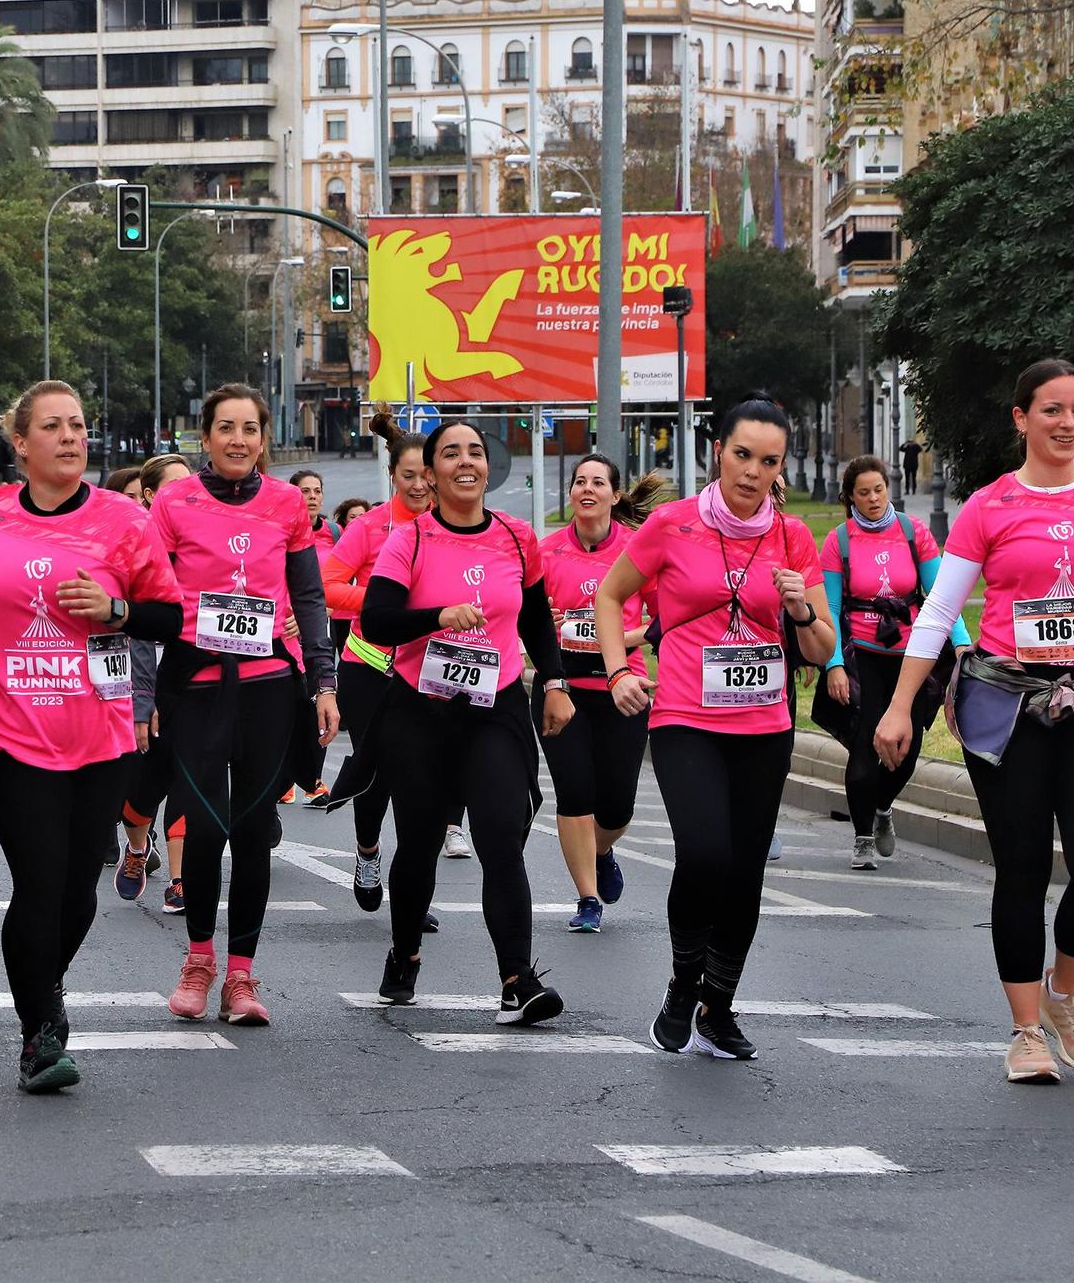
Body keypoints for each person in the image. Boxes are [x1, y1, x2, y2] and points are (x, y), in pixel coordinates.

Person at [874, 359, 1074, 1084]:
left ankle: (1064, 994)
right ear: (1021, 418)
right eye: (1053, 409)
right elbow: (938, 610)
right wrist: (899, 706)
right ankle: (1025, 1031)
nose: (1069, 423)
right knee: (1021, 867)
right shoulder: (988, 505)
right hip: (1007, 704)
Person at [0, 380, 182, 1093]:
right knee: (38, 881)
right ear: (21, 443)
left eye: (78, 425)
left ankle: (44, 986)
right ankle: (40, 1034)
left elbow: (169, 615)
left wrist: (115, 608)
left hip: (98, 730)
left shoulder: (125, 522)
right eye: (53, 426)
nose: (71, 437)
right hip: (4, 728)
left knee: (77, 892)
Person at [596, 400, 837, 1061]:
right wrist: (618, 672)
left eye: (769, 461)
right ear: (718, 453)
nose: (753, 471)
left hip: (765, 724)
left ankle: (718, 1006)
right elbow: (610, 596)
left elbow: (820, 647)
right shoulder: (673, 525)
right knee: (705, 855)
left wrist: (801, 609)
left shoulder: (792, 536)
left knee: (746, 870)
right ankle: (683, 984)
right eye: (742, 455)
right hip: (686, 718)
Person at [352, 418, 570, 1022]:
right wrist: (438, 616)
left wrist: (554, 682)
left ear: (488, 466)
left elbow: (535, 620)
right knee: (419, 843)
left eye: (476, 451)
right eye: (451, 453)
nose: (466, 462)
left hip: (494, 707)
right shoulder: (410, 540)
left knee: (501, 837)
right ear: (431, 472)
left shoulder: (517, 537)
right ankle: (404, 953)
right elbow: (377, 621)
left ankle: (517, 979)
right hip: (421, 712)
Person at [149, 385, 338, 1028]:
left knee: (256, 832)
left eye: (250, 429)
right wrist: (144, 693)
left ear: (263, 438)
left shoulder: (286, 504)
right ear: (204, 438)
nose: (238, 440)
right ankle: (198, 960)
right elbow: (147, 594)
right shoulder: (173, 501)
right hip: (196, 686)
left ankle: (241, 974)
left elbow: (309, 597)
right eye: (225, 428)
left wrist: (323, 682)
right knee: (204, 828)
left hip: (268, 687)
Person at [321, 412, 458, 924]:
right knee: (376, 775)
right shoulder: (370, 527)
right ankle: (367, 851)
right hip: (370, 667)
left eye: (426, 475)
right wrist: (383, 603)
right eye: (408, 476)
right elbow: (328, 585)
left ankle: (413, 894)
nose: (420, 486)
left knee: (423, 782)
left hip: (432, 670)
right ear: (392, 475)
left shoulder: (453, 524)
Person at [821, 455, 972, 869]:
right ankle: (862, 838)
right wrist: (833, 664)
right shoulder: (839, 540)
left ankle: (883, 807)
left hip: (913, 656)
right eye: (863, 493)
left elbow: (941, 597)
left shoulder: (913, 532)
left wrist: (962, 645)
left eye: (879, 490)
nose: (873, 499)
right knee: (865, 745)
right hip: (863, 658)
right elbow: (830, 607)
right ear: (850, 497)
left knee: (907, 750)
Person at [539, 457, 667, 932]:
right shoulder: (547, 551)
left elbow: (665, 618)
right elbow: (523, 617)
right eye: (579, 482)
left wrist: (617, 637)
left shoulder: (638, 549)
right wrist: (547, 624)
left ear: (615, 495)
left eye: (598, 482)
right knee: (574, 794)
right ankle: (587, 898)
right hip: (562, 688)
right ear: (570, 494)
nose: (587, 489)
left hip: (623, 688)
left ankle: (601, 850)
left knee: (616, 806)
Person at [117, 453, 194, 913]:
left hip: (192, 681)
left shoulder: (203, 539)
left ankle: (180, 881)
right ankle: (136, 847)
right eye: (175, 486)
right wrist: (144, 700)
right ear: (149, 495)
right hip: (138, 682)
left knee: (189, 778)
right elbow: (139, 633)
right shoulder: (135, 544)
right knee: (142, 790)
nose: (188, 494)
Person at [282, 468, 339, 805]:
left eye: (317, 490)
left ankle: (313, 779)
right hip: (283, 633)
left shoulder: (334, 533)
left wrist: (322, 612)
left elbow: (343, 583)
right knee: (288, 709)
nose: (312, 497)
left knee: (320, 701)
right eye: (305, 491)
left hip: (317, 634)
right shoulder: (280, 531)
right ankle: (284, 778)